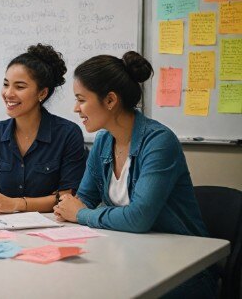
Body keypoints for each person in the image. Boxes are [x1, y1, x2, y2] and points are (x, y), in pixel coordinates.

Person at [54, 51, 216, 298]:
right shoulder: (103, 141)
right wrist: (72, 209)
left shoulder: (159, 142)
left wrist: (81, 214)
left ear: (110, 100)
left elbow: (138, 218)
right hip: (129, 258)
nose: (76, 109)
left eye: (81, 99)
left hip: (181, 270)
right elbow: (83, 198)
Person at [0, 44, 86, 214]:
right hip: (3, 226)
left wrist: (17, 204)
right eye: (6, 84)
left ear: (42, 93)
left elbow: (68, 196)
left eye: (19, 87)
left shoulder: (68, 134)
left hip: (53, 226)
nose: (8, 93)